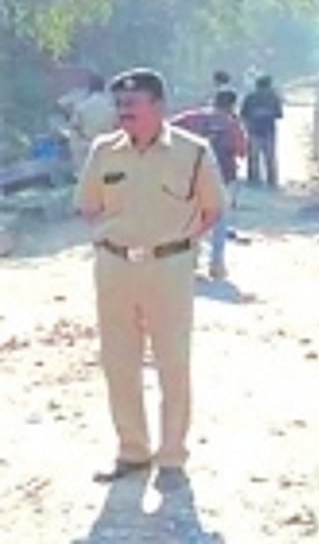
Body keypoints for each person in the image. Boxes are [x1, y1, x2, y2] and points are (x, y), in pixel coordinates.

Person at [73, 67, 225, 483]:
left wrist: (177, 245)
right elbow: (88, 205)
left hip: (169, 269)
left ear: (159, 107)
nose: (124, 112)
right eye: (120, 104)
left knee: (172, 362)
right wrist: (116, 238)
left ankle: (172, 457)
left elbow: (213, 209)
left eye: (132, 104)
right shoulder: (104, 151)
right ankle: (132, 451)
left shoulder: (193, 152)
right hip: (114, 267)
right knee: (118, 362)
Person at [169, 87, 247, 280]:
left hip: (189, 175)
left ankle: (190, 261)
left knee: (190, 218)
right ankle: (216, 263)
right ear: (232, 105)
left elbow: (164, 132)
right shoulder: (231, 124)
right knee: (219, 222)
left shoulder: (190, 117)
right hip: (221, 175)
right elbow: (242, 151)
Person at [66, 74, 119, 175]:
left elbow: (74, 128)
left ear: (89, 88)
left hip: (88, 146)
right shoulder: (112, 106)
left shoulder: (82, 107)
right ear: (104, 87)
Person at [239, 74, 283, 187]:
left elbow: (243, 114)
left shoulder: (250, 97)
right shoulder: (274, 97)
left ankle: (254, 180)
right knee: (270, 157)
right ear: (269, 85)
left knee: (253, 157)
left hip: (253, 130)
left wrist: (247, 124)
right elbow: (279, 114)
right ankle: (272, 181)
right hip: (269, 130)